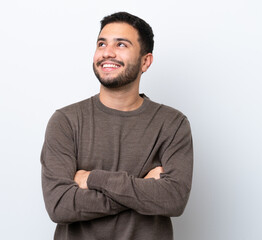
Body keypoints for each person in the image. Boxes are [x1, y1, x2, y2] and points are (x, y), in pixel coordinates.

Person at [41, 11, 193, 240]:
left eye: (121, 44)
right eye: (101, 43)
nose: (107, 53)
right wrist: (143, 188)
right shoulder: (65, 121)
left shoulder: (172, 124)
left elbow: (173, 199)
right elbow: (60, 205)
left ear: (145, 61)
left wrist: (93, 179)